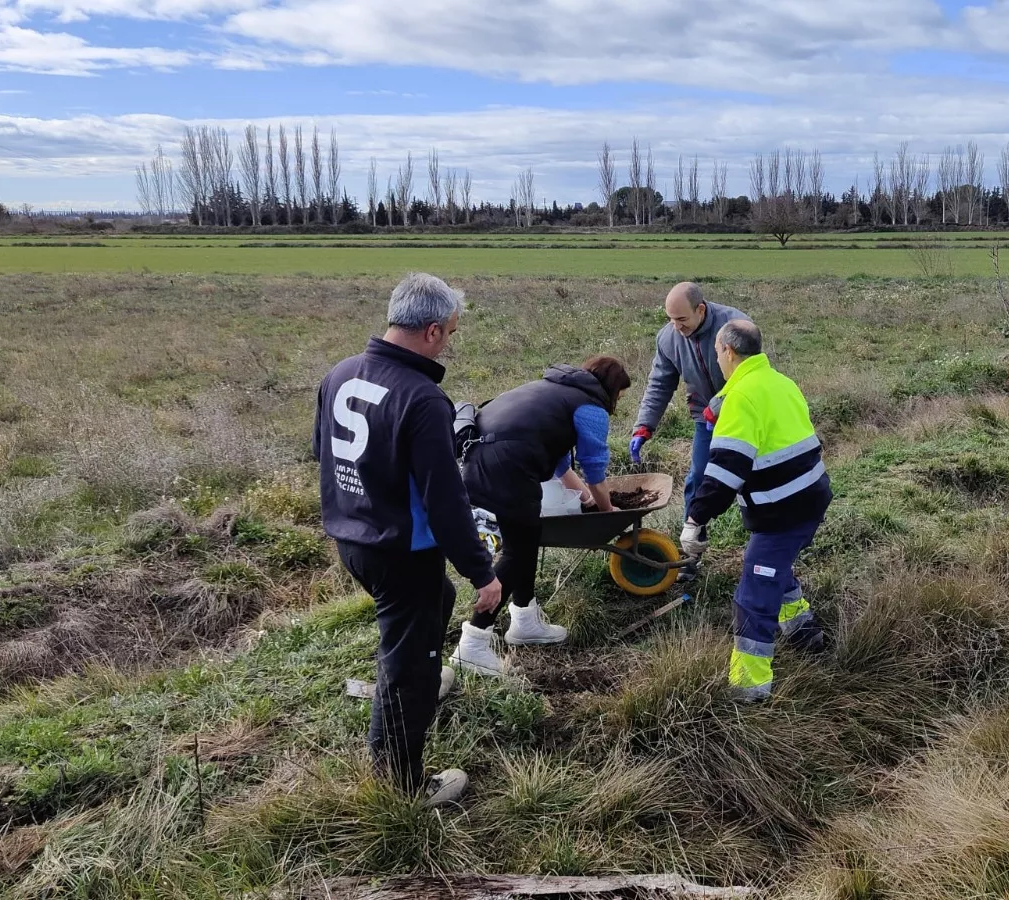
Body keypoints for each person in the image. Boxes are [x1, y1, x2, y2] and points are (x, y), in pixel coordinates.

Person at [313, 272, 500, 807]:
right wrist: (482, 574)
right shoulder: (423, 399)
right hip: (401, 552)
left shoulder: (341, 373)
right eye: (452, 333)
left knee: (431, 606)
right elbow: (446, 503)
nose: (451, 342)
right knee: (409, 664)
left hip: (353, 537)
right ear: (434, 331)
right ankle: (401, 784)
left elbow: (322, 453)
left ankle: (412, 670)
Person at [454, 355, 634, 677]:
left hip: (477, 462)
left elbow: (559, 463)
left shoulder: (553, 389)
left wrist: (583, 499)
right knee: (516, 551)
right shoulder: (591, 406)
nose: (618, 401)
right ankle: (473, 643)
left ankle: (524, 621)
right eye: (620, 395)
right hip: (508, 467)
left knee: (524, 538)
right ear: (611, 389)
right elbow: (594, 466)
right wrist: (606, 511)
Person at [682, 320, 831, 701]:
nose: (717, 358)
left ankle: (749, 691)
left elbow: (723, 473)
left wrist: (695, 519)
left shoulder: (742, 398)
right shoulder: (781, 382)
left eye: (717, 352)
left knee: (753, 594)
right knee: (769, 563)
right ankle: (802, 630)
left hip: (784, 510)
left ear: (728, 351)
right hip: (811, 496)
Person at [629, 282, 749, 581]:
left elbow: (751, 375)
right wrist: (644, 425)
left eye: (682, 319)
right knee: (697, 480)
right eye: (671, 319)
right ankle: (690, 556)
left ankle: (762, 546)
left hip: (747, 414)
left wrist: (719, 405)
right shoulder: (668, 338)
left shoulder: (735, 325)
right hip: (703, 419)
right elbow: (660, 383)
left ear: (701, 309)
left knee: (753, 479)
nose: (676, 326)